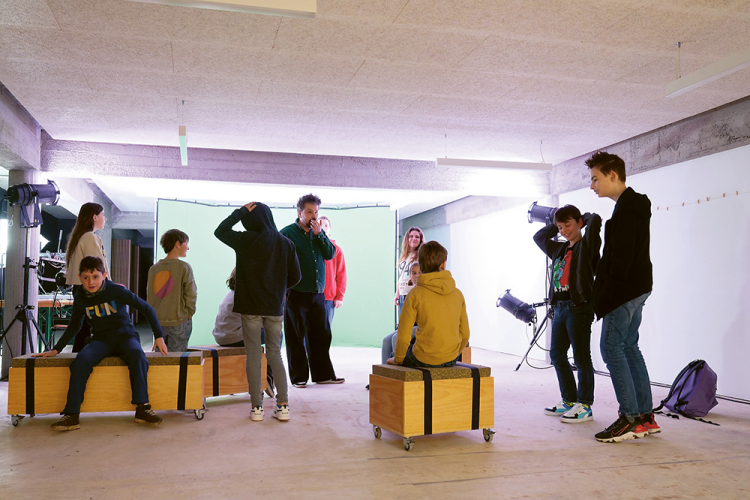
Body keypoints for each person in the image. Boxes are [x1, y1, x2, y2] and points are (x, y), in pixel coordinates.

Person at [33, 256, 168, 431]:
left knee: (138, 356)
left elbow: (146, 308)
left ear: (104, 275)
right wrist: (56, 350)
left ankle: (142, 408)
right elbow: (75, 325)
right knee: (80, 361)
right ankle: (72, 414)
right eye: (86, 277)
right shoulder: (81, 297)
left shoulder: (117, 291)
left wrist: (158, 336)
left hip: (125, 337)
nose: (91, 282)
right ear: (80, 277)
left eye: (95, 276)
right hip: (101, 340)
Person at [586, 151, 658, 443]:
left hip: (625, 290)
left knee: (612, 347)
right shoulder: (631, 207)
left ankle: (629, 417)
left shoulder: (628, 211)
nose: (593, 186)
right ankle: (644, 417)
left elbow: (621, 261)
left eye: (595, 178)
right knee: (628, 347)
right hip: (638, 287)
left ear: (612, 175)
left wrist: (603, 297)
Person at [215, 202, 301, 422]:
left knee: (253, 356)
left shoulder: (245, 240)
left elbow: (221, 231)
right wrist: (279, 287)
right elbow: (296, 277)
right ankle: (283, 406)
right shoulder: (286, 243)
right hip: (274, 307)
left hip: (250, 307)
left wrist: (241, 211)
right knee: (275, 354)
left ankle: (256, 409)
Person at [533, 205, 602, 424]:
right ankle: (569, 400)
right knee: (557, 355)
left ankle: (585, 405)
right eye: (560, 227)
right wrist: (556, 223)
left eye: (568, 225)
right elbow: (539, 236)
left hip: (578, 307)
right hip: (560, 308)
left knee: (581, 358)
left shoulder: (587, 246)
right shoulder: (559, 250)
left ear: (580, 222)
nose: (563, 231)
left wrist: (585, 219)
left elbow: (596, 221)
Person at [279, 194, 344, 387]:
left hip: (318, 293)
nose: (314, 216)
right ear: (299, 213)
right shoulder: (287, 233)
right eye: (309, 212)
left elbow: (330, 254)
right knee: (296, 336)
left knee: (321, 335)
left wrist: (320, 235)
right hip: (295, 292)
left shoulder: (318, 234)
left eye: (316, 212)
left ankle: (323, 374)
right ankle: (299, 377)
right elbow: (279, 263)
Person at [388, 241, 469, 368]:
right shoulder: (457, 294)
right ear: (443, 264)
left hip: (422, 358)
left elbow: (404, 335)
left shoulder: (415, 294)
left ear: (420, 264)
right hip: (451, 358)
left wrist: (398, 359)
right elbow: (465, 333)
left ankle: (379, 384)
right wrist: (453, 354)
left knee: (393, 354)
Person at [211, 268, 275, 398]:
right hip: (233, 337)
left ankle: (243, 378)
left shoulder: (232, 294)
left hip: (222, 337)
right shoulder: (246, 295)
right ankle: (267, 376)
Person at [65, 202, 110, 352]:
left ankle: (78, 361)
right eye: (103, 215)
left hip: (82, 288)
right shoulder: (89, 237)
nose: (105, 218)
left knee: (82, 330)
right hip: (91, 289)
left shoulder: (80, 237)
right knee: (91, 331)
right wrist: (109, 288)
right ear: (94, 217)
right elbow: (97, 268)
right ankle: (82, 362)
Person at [147, 229, 197, 352]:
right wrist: (190, 312)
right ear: (177, 244)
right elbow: (191, 294)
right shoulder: (184, 267)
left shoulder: (154, 269)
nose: (188, 248)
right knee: (178, 362)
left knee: (162, 361)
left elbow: (150, 296)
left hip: (158, 323)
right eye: (186, 243)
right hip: (179, 321)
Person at [381, 262, 420, 364]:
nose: (416, 276)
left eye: (419, 273)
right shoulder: (411, 292)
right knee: (386, 341)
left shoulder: (421, 292)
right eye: (414, 273)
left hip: (421, 327)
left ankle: (398, 371)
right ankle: (385, 374)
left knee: (396, 338)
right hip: (411, 326)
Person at [318, 216, 347, 328]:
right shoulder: (311, 248)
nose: (323, 227)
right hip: (311, 295)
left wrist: (340, 296)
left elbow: (341, 274)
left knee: (324, 329)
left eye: (326, 225)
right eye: (320, 224)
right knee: (308, 329)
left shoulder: (336, 250)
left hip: (328, 297)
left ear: (330, 228)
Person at [394, 226, 425, 314]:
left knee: (415, 325)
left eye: (417, 237)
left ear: (420, 240)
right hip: (402, 296)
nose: (413, 239)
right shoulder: (404, 256)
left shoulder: (421, 255)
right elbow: (402, 276)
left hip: (414, 295)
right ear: (407, 238)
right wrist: (397, 293)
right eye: (411, 236)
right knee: (406, 325)